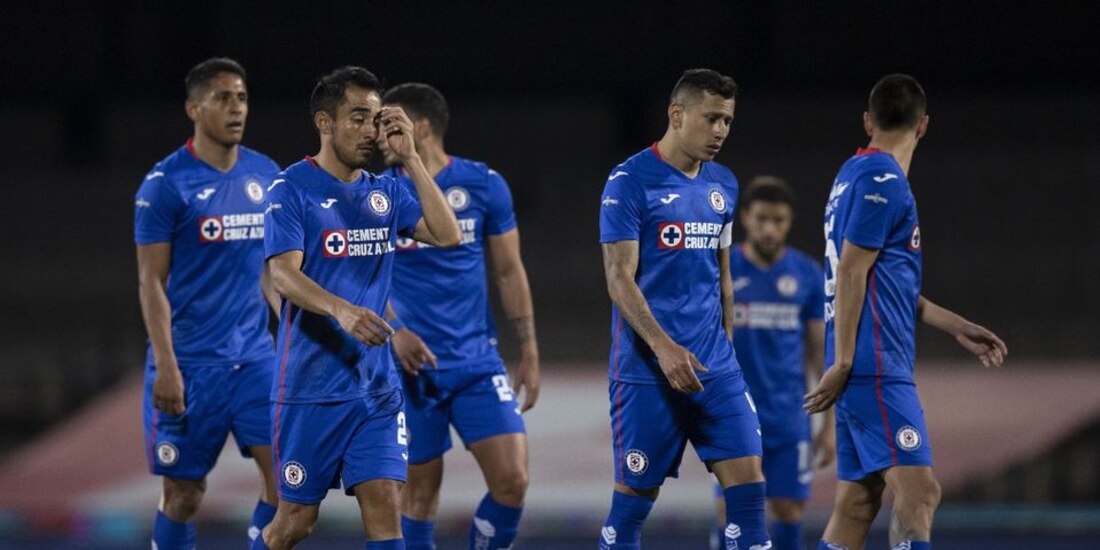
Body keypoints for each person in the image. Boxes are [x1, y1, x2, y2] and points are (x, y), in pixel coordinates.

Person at [253, 66, 461, 550]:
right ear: (325, 123)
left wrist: (411, 158)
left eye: (376, 118)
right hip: (309, 389)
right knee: (296, 523)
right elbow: (282, 275)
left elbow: (448, 233)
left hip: (376, 391)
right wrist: (342, 311)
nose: (371, 131)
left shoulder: (385, 192)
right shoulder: (291, 189)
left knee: (387, 504)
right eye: (358, 118)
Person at [804, 74, 1008, 550]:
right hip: (872, 364)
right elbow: (852, 273)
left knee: (858, 503)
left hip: (861, 361)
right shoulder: (884, 180)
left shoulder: (850, 175)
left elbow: (885, 284)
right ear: (923, 127)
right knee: (920, 493)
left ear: (867, 122)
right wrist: (845, 362)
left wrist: (959, 326)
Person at [597, 68, 771, 550]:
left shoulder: (724, 184)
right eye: (711, 118)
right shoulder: (630, 181)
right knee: (631, 511)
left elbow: (723, 273)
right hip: (648, 373)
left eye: (728, 121)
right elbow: (618, 277)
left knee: (752, 506)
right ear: (677, 114)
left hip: (715, 369)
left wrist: (727, 347)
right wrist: (664, 347)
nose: (721, 132)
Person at [377, 83, 540, 550]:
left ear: (421, 127)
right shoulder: (382, 192)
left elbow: (509, 271)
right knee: (419, 498)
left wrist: (528, 349)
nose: (380, 134)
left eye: (390, 123)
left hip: (476, 364)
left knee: (513, 481)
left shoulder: (483, 183)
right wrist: (394, 331)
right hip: (409, 369)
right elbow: (360, 273)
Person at [134, 57, 281, 550]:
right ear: (194, 108)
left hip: (255, 360)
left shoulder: (265, 175)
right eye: (223, 98)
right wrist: (168, 367)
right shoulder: (165, 185)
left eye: (241, 97)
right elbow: (150, 281)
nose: (236, 108)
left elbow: (274, 270)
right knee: (184, 495)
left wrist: (295, 338)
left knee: (287, 484)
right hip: (191, 365)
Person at [709, 176, 832, 550]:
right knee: (732, 511)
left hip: (789, 418)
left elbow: (819, 352)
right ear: (745, 217)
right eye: (761, 218)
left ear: (790, 221)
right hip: (735, 415)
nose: (769, 228)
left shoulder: (807, 274)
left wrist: (829, 425)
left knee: (789, 509)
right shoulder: (724, 269)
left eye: (778, 220)